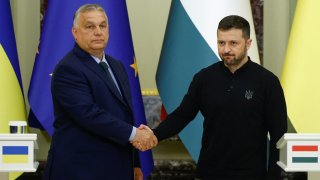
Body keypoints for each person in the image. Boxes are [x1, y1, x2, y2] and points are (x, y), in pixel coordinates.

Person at [136, 15, 287, 179]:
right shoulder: (204, 78)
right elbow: (182, 115)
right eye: (221, 42)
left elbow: (279, 137)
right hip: (208, 173)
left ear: (248, 43)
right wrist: (155, 134)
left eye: (233, 43)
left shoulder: (268, 82)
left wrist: (274, 177)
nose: (226, 49)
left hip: (250, 175)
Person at [43, 4, 156, 180]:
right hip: (80, 171)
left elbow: (125, 114)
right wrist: (137, 134)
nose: (98, 31)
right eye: (90, 26)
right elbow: (89, 115)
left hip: (117, 168)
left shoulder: (117, 66)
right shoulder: (68, 69)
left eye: (102, 26)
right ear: (75, 32)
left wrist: (134, 163)